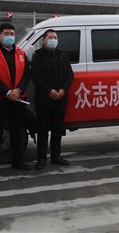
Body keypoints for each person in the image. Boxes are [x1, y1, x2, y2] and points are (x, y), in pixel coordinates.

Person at [0, 23, 32, 176]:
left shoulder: (20, 53)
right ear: (0, 36)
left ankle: (18, 161)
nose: (10, 36)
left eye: (12, 34)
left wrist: (18, 90)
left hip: (18, 99)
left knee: (17, 131)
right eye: (6, 34)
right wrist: (7, 92)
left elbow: (27, 75)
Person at [31, 29, 74, 170]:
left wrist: (63, 90)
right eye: (50, 37)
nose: (53, 40)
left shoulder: (63, 56)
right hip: (44, 99)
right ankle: (41, 158)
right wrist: (49, 91)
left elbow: (70, 75)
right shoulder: (37, 56)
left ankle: (56, 156)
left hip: (60, 99)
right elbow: (35, 76)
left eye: (55, 37)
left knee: (57, 129)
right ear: (44, 40)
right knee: (43, 131)